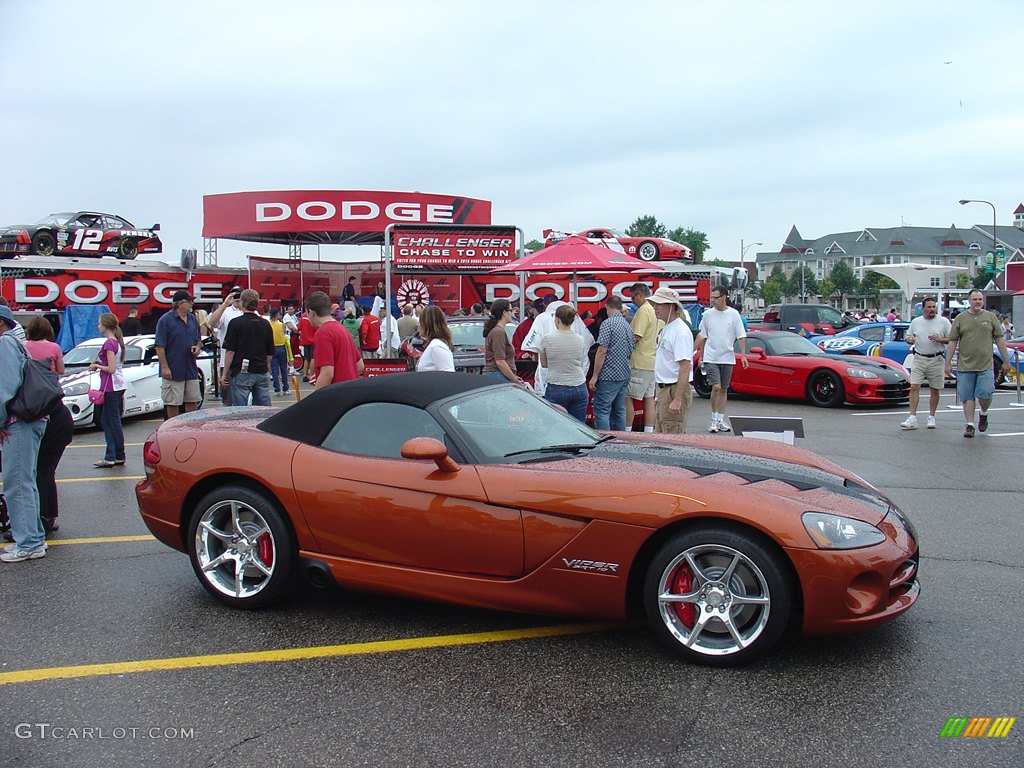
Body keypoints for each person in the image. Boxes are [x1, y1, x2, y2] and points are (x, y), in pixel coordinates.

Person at [0, 305, 48, 562]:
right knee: (24, 482)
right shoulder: (15, 342)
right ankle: (31, 537)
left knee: (16, 484)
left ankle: (28, 543)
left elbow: (4, 387)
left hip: (17, 422)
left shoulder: (5, 345)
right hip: (28, 420)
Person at [22, 315, 72, 533]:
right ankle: (48, 515)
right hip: (56, 408)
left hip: (38, 411)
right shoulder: (54, 347)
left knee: (37, 471)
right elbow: (60, 371)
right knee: (47, 470)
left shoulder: (23, 348)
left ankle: (39, 518)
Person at [945, 288, 1010, 438]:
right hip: (965, 366)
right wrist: (947, 363)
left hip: (986, 365)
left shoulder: (990, 317)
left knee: (986, 394)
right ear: (969, 301)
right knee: (967, 397)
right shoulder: (960, 318)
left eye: (980, 299)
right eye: (975, 299)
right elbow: (952, 341)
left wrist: (1006, 361)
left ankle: (983, 413)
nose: (977, 302)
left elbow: (1000, 339)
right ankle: (970, 425)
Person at [695, 284, 748, 433]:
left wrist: (743, 355)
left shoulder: (734, 314)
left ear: (724, 297)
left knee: (724, 390)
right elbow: (703, 336)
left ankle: (720, 419)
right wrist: (702, 355)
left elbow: (741, 335)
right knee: (716, 387)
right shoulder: (707, 315)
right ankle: (713, 419)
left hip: (727, 357)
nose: (713, 301)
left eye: (716, 298)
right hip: (711, 357)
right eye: (712, 298)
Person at [647, 287, 694, 434]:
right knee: (662, 431)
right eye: (654, 304)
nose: (655, 308)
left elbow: (685, 367)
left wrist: (678, 399)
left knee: (672, 434)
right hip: (665, 389)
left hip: (673, 388)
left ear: (672, 306)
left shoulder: (680, 331)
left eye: (659, 304)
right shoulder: (668, 328)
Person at [900, 297, 951, 430]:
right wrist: (909, 340)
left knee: (934, 389)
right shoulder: (916, 322)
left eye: (934, 307)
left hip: (936, 358)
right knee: (914, 386)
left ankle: (931, 416)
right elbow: (908, 337)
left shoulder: (943, 322)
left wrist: (940, 339)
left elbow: (952, 339)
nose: (932, 309)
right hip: (919, 357)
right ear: (923, 309)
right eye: (929, 307)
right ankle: (912, 417)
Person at [588, 296, 635, 431]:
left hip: (608, 374)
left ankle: (605, 442)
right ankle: (620, 439)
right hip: (624, 373)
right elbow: (632, 346)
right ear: (620, 308)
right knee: (619, 410)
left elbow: (602, 350)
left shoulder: (607, 324)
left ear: (607, 307)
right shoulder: (627, 324)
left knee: (602, 410)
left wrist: (595, 375)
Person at [222, 289, 274, 406]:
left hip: (242, 370)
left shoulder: (235, 323)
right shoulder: (265, 324)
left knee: (240, 408)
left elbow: (230, 351)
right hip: (260, 369)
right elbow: (270, 352)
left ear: (243, 303)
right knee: (263, 406)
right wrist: (263, 364)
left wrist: (225, 374)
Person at [154, 290, 202, 419]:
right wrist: (164, 367)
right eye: (189, 301)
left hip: (190, 368)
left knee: (192, 399)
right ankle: (171, 428)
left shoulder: (192, 319)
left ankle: (191, 427)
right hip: (174, 368)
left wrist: (197, 347)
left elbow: (198, 340)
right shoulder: (166, 320)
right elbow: (159, 346)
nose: (192, 303)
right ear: (180, 304)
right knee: (173, 401)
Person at [539, 304, 589, 422]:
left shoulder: (547, 339)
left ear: (557, 319)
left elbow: (544, 364)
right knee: (579, 426)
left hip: (556, 385)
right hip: (579, 385)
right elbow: (581, 361)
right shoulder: (580, 339)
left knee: (554, 424)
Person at [90, 312, 127, 468]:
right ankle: (118, 454)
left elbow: (111, 368)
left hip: (111, 386)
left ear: (105, 326)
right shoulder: (115, 342)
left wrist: (97, 366)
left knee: (110, 421)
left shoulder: (109, 344)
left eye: (99, 324)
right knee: (112, 420)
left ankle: (111, 455)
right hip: (117, 385)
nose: (98, 326)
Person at [306, 291, 362, 389]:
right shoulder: (342, 329)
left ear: (311, 313)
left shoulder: (323, 333)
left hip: (335, 396)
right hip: (351, 392)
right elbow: (360, 366)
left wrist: (315, 400)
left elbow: (327, 373)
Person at [625, 283, 660, 433]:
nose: (632, 301)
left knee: (626, 397)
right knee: (649, 398)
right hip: (653, 361)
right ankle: (649, 431)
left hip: (639, 361)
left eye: (633, 297)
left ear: (639, 295)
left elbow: (636, 336)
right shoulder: (656, 309)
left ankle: (626, 431)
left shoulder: (643, 310)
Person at [208, 286, 245, 403]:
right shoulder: (226, 312)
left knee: (245, 397)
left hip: (246, 361)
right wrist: (224, 304)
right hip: (228, 360)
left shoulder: (250, 311)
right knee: (229, 398)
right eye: (234, 295)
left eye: (239, 294)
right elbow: (212, 323)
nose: (237, 297)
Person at [483, 299, 520, 383]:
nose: (512, 313)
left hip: (498, 375)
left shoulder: (497, 330)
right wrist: (515, 380)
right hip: (498, 375)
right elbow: (500, 361)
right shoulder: (498, 332)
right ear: (504, 312)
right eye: (510, 310)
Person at [416, 306, 455, 372]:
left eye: (420, 322)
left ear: (427, 324)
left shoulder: (436, 347)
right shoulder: (435, 345)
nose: (417, 325)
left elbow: (448, 375)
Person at [268, 308, 291, 396]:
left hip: (273, 347)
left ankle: (277, 389)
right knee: (283, 369)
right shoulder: (282, 325)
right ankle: (286, 388)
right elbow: (285, 335)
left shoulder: (269, 325)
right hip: (281, 347)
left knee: (274, 369)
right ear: (277, 314)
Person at [297, 307, 317, 381]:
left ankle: (304, 375)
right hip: (314, 340)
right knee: (313, 358)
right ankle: (311, 375)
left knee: (306, 358)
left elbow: (299, 328)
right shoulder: (314, 316)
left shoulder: (302, 316)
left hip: (305, 340)